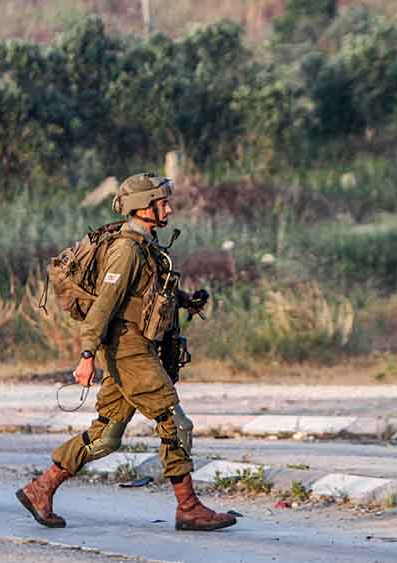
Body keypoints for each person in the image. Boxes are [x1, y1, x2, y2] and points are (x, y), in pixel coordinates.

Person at [16, 172, 237, 532]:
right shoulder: (126, 250)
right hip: (129, 351)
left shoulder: (144, 244)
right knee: (175, 423)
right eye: (161, 202)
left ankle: (41, 489)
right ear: (143, 207)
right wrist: (86, 356)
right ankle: (189, 507)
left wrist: (184, 301)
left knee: (106, 436)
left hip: (134, 348)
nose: (168, 207)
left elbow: (144, 295)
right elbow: (104, 305)